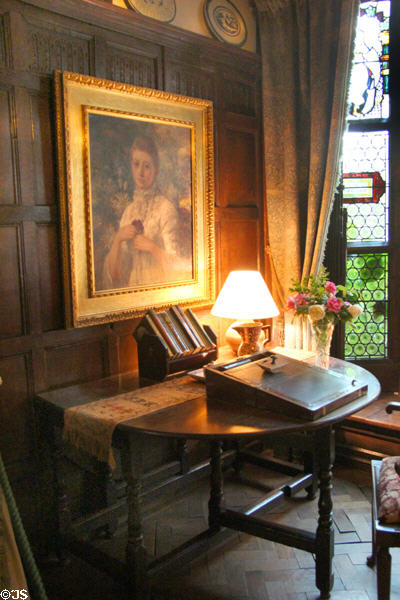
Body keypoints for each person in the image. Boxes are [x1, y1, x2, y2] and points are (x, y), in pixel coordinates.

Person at [103, 134, 188, 289]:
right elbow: (115, 276)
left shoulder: (165, 208)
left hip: (158, 291)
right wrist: (118, 239)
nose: (140, 172)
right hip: (133, 293)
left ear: (156, 170)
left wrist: (153, 248)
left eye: (147, 166)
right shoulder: (129, 211)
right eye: (136, 164)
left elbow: (179, 268)